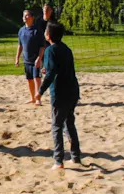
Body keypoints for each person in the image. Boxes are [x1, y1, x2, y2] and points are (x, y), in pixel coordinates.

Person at [35, 22, 81, 169]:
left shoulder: (50, 51)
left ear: (48, 36)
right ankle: (75, 157)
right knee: (69, 123)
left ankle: (58, 161)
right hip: (73, 90)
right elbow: (58, 68)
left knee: (56, 126)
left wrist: (40, 91)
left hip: (60, 92)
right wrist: (47, 70)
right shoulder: (66, 49)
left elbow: (52, 73)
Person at [15, 9, 46, 105]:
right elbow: (20, 46)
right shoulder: (21, 30)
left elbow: (42, 46)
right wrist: (17, 58)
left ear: (32, 17)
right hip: (26, 59)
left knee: (37, 78)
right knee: (29, 80)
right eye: (24, 15)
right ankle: (32, 98)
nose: (25, 17)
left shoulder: (37, 30)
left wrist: (39, 58)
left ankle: (38, 98)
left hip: (36, 59)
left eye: (27, 15)